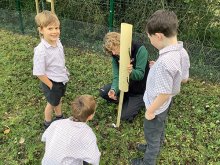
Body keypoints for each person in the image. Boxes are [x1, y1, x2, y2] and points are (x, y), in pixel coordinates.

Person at [131, 10, 190, 165]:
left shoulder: (165, 62)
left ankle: (148, 159)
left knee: (151, 131)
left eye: (149, 37)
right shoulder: (181, 51)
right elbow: (184, 78)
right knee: (159, 128)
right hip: (166, 104)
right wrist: (158, 67)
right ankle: (156, 144)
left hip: (156, 105)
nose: (149, 40)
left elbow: (163, 93)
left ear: (158, 36)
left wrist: (150, 111)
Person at [99, 32, 150, 122]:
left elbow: (140, 75)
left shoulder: (140, 50)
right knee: (103, 92)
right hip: (125, 86)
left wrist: (131, 72)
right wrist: (114, 89)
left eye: (114, 49)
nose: (113, 53)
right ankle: (124, 100)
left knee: (125, 117)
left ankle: (140, 101)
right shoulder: (115, 56)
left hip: (139, 90)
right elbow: (117, 77)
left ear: (120, 43)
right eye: (111, 51)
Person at [33, 10, 69, 129]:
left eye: (57, 28)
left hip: (61, 78)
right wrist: (51, 85)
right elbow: (39, 72)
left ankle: (59, 117)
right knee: (51, 104)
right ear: (41, 30)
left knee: (58, 100)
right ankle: (47, 123)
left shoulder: (57, 41)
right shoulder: (41, 50)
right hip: (51, 82)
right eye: (50, 28)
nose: (55, 31)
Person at [41, 95, 101, 165]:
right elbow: (95, 160)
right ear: (90, 116)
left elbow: (44, 138)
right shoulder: (88, 134)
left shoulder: (57, 123)